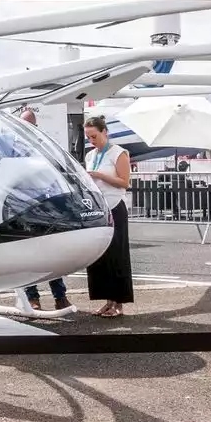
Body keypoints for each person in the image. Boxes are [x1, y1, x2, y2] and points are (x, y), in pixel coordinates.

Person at [16, 109, 71, 310]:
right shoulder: (13, 147)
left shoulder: (45, 146)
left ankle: (60, 296)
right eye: (24, 124)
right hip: (23, 206)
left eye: (31, 124)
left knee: (51, 253)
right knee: (27, 255)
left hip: (46, 206)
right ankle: (33, 298)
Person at [83, 115, 133, 318]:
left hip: (115, 206)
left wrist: (101, 175)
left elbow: (125, 182)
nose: (91, 141)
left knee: (116, 256)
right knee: (100, 256)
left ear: (105, 132)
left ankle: (118, 302)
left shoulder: (118, 153)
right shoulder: (90, 155)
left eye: (94, 136)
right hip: (98, 208)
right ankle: (106, 300)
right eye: (88, 137)